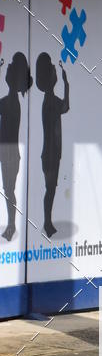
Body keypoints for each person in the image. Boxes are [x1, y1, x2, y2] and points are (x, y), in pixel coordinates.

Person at [35, 53, 69, 238]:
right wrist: (66, 84)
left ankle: (48, 222)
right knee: (50, 189)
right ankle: (47, 223)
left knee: (51, 189)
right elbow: (65, 107)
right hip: (50, 154)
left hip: (51, 153)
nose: (55, 72)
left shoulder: (50, 100)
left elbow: (65, 107)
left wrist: (66, 84)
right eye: (53, 71)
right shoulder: (50, 101)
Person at [0, 53, 33, 241]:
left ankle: (11, 225)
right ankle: (11, 225)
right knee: (8, 190)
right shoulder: (10, 100)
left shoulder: (10, 101)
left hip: (10, 154)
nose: (8, 68)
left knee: (9, 190)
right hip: (8, 154)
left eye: (10, 66)